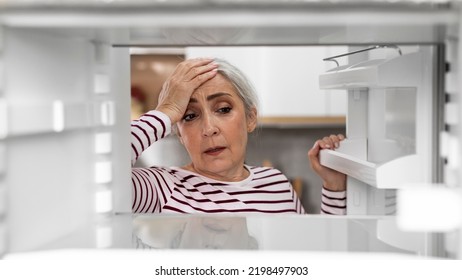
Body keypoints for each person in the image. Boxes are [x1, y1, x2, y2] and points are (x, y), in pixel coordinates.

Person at [131, 58, 346, 215]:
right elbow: (101, 171)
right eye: (190, 115)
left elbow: (312, 256)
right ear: (179, 133)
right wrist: (166, 111)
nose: (209, 128)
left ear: (250, 118)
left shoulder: (276, 184)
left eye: (223, 109)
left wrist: (334, 187)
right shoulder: (160, 187)